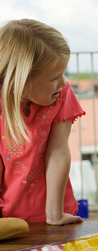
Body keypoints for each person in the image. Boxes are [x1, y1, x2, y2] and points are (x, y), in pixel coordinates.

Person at [0, 19, 85, 224]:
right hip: (8, 216)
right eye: (56, 77)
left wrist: (54, 215)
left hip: (54, 211)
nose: (64, 82)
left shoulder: (61, 93)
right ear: (21, 80)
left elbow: (58, 152)